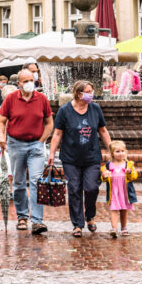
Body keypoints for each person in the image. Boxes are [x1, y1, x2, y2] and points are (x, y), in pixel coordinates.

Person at [48, 80, 112, 237]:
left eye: (92, 91)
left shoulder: (95, 109)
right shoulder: (65, 111)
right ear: (78, 93)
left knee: (91, 188)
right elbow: (57, 133)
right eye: (88, 91)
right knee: (74, 189)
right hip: (71, 158)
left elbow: (103, 131)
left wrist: (112, 150)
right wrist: (51, 153)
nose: (91, 94)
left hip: (91, 157)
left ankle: (90, 216)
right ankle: (77, 223)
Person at [0, 69, 54, 233]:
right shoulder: (11, 99)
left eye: (31, 80)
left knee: (36, 181)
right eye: (26, 81)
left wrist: (42, 140)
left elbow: (49, 122)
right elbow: (1, 121)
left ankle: (37, 220)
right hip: (16, 144)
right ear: (18, 83)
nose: (30, 83)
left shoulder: (41, 98)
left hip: (36, 144)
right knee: (19, 182)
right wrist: (1, 136)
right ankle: (22, 216)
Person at [101, 140, 138, 237]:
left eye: (122, 151)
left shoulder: (128, 164)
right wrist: (105, 175)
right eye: (117, 151)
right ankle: (114, 228)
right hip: (114, 191)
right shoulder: (108, 165)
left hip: (124, 191)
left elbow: (134, 176)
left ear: (126, 152)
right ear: (112, 153)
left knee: (123, 209)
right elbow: (103, 177)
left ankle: (124, 227)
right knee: (114, 209)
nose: (120, 153)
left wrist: (130, 172)